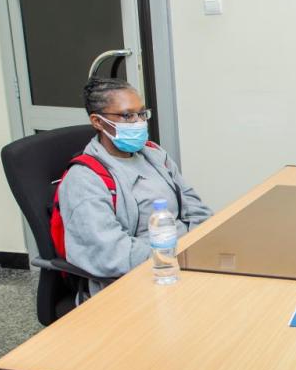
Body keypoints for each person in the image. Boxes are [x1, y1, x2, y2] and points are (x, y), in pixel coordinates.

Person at [59, 77, 212, 295]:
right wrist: (178, 254)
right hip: (135, 280)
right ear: (98, 121)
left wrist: (202, 245)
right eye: (127, 115)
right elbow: (112, 254)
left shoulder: (154, 154)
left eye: (141, 113)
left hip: (183, 262)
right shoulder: (84, 179)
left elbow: (195, 208)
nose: (139, 122)